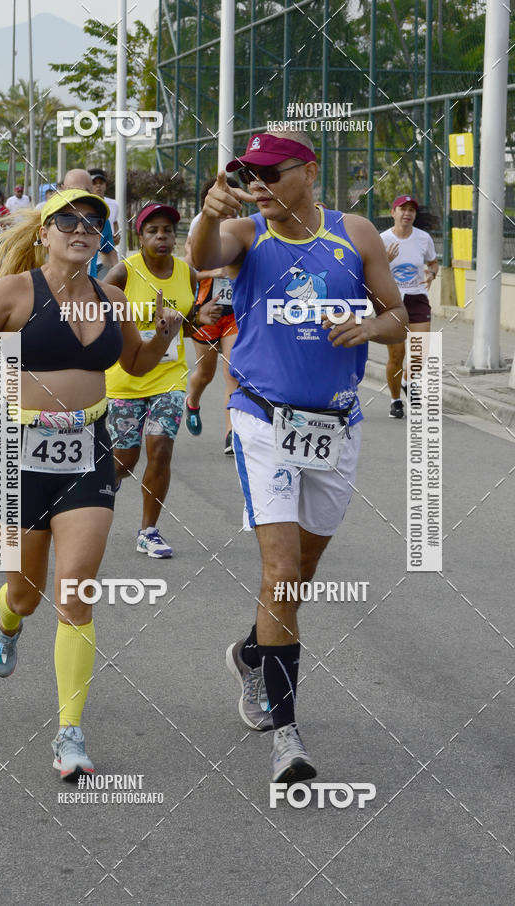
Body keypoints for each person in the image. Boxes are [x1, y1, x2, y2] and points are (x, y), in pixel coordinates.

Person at [0, 188, 182, 780]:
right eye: (67, 220)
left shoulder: (113, 298)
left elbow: (136, 365)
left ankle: (69, 733)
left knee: (76, 594)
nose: (80, 228)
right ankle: (8, 618)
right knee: (26, 593)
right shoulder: (13, 292)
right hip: (18, 457)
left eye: (92, 222)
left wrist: (164, 335)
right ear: (44, 233)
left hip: (88, 454)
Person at [191, 129, 407, 783]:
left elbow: (403, 313)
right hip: (263, 420)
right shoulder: (246, 235)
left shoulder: (356, 234)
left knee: (300, 576)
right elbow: (205, 255)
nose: (257, 186)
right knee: (281, 572)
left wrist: (371, 326)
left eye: (270, 173)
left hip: (336, 426)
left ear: (308, 172)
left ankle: (253, 652)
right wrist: (207, 215)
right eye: (248, 176)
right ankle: (287, 734)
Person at [104, 202, 218, 558]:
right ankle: (105, 482)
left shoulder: (188, 274)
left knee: (161, 449)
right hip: (125, 378)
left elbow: (189, 324)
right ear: (140, 237)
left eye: (167, 230)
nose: (162, 237)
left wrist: (200, 318)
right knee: (125, 460)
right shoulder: (123, 273)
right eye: (152, 231)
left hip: (169, 378)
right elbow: (97, 316)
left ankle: (149, 531)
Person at [184, 177, 240, 455]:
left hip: (233, 312)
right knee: (205, 373)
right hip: (207, 309)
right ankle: (192, 401)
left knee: (232, 371)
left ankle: (231, 433)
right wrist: (215, 272)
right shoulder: (200, 227)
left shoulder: (244, 227)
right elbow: (187, 268)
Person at [381, 195, 439, 418]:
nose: (407, 213)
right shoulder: (382, 239)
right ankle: (395, 400)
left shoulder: (423, 238)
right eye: (402, 209)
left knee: (420, 352)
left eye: (411, 210)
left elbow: (433, 262)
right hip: (392, 300)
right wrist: (385, 260)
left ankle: (407, 381)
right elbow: (370, 270)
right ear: (393, 212)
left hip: (417, 298)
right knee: (397, 354)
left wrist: (432, 273)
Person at [62, 170, 118, 277]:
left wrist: (119, 278)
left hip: (90, 283)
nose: (80, 195)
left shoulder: (100, 221)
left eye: (86, 190)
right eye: (74, 190)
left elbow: (109, 251)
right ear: (63, 189)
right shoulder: (50, 218)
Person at [88, 167, 120, 244]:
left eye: (101, 183)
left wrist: (117, 236)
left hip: (108, 248)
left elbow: (115, 222)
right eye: (94, 183)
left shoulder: (114, 204)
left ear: (105, 185)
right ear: (89, 186)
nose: (98, 186)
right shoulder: (84, 205)